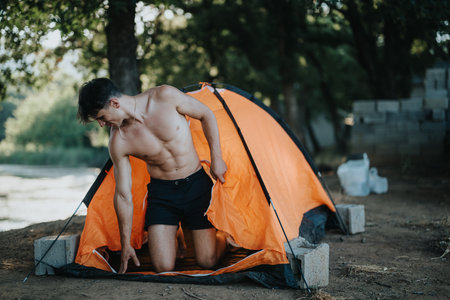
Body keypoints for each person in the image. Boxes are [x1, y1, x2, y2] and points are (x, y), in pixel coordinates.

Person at [77, 78, 228, 274]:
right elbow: (123, 195)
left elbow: (206, 114)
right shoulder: (118, 141)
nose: (101, 124)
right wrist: (126, 244)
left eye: (101, 117)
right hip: (162, 194)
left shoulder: (164, 96)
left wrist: (217, 158)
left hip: (196, 185)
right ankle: (177, 233)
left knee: (207, 261)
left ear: (114, 103)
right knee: (163, 267)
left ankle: (225, 236)